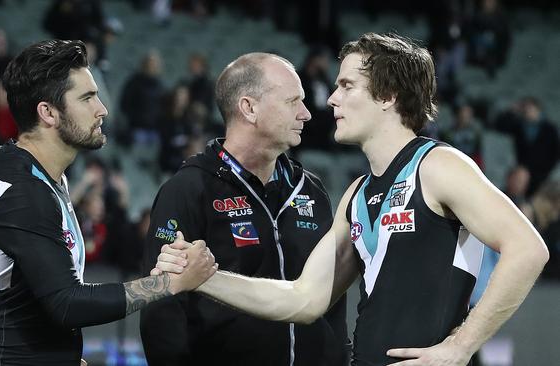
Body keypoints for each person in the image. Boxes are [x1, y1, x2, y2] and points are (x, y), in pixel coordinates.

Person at [155, 33, 549, 366]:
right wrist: (204, 277)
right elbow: (304, 298)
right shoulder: (357, 194)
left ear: (388, 96)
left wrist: (460, 347)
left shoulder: (438, 165)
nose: (330, 100)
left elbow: (528, 250)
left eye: (347, 86)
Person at [0, 39, 216, 365]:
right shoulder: (22, 191)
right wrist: (170, 283)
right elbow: (68, 303)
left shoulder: (39, 176)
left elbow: (36, 299)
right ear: (48, 113)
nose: (102, 109)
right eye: (87, 97)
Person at [141, 53, 350, 366]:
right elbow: (161, 306)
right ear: (249, 108)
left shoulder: (311, 190)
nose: (306, 114)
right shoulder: (188, 189)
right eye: (293, 101)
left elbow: (331, 300)